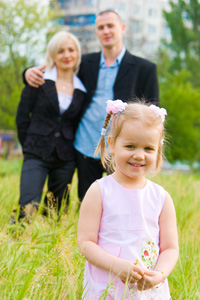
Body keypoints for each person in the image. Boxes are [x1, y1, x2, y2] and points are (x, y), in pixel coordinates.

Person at [23, 9, 159, 201]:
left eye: (110, 26)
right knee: (86, 201)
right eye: (100, 27)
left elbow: (153, 114)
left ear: (122, 28)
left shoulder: (144, 69)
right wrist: (27, 72)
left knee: (122, 201)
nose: (106, 31)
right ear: (96, 32)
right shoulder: (84, 63)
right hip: (86, 145)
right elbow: (57, 72)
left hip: (122, 148)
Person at [77, 100, 179, 299]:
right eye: (130, 146)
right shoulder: (100, 191)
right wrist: (116, 265)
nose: (139, 155)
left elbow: (170, 248)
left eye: (148, 148)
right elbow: (85, 242)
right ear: (113, 144)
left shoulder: (161, 198)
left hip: (148, 291)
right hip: (107, 286)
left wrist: (159, 275)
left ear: (158, 149)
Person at [16, 31, 86, 219]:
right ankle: (16, 242)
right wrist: (29, 145)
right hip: (35, 153)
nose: (66, 55)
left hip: (65, 157)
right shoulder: (38, 80)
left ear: (77, 54)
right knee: (27, 206)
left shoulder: (82, 89)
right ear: (53, 54)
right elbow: (22, 116)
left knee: (55, 212)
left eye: (71, 50)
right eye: (60, 51)